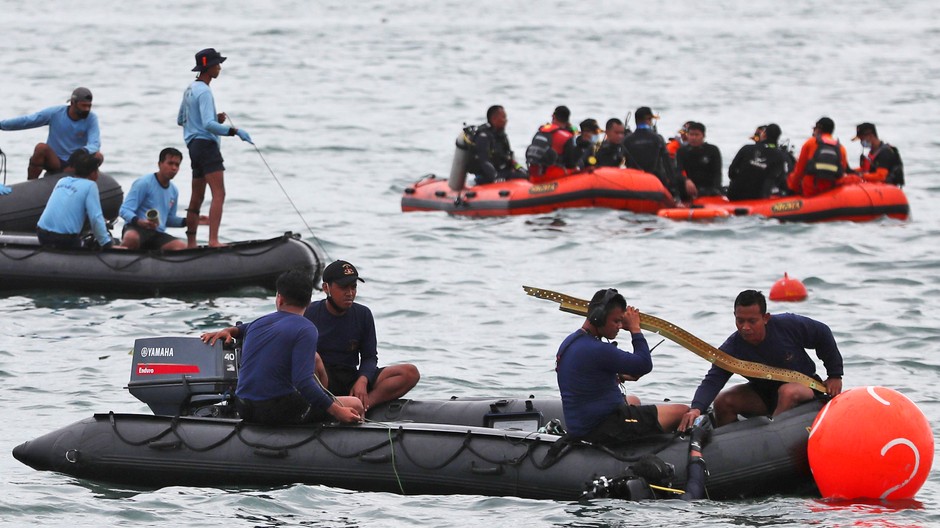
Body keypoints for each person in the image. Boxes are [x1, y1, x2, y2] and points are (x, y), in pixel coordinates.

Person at [201, 269, 364, 426]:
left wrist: (228, 330)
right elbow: (304, 382)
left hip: (244, 407)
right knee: (355, 404)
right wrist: (337, 411)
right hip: (276, 410)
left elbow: (242, 329)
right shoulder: (306, 329)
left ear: (279, 299)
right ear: (309, 302)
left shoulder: (259, 323)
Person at [679, 290, 844, 430]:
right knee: (723, 401)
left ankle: (772, 438)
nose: (745, 327)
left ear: (765, 318)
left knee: (787, 392)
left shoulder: (788, 325)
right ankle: (726, 448)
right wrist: (696, 408)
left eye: (752, 321)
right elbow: (713, 380)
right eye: (740, 320)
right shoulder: (732, 348)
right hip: (763, 395)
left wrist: (835, 374)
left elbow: (822, 333)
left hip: (804, 390)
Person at [555, 288, 688, 445]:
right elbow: (644, 364)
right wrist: (635, 329)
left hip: (582, 425)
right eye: (616, 321)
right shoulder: (599, 349)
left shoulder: (572, 341)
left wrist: (618, 377)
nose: (619, 326)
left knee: (634, 400)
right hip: (603, 428)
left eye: (621, 321)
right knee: (682, 411)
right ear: (598, 318)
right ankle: (678, 448)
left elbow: (586, 374)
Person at [304, 260, 420, 411]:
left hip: (351, 377)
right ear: (326, 288)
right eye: (343, 287)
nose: (350, 293)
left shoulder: (363, 314)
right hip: (323, 379)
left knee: (409, 373)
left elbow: (369, 357)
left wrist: (362, 380)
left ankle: (363, 406)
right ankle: (332, 406)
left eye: (353, 287)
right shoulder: (310, 313)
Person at [177, 48, 253, 248]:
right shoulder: (205, 91)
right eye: (217, 64)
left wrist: (211, 117)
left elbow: (181, 120)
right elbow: (209, 125)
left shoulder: (190, 89)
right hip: (207, 146)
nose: (219, 67)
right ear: (208, 67)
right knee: (219, 193)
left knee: (197, 197)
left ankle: (191, 243)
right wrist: (234, 131)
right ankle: (213, 241)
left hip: (193, 146)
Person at [0, 87, 103, 180]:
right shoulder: (55, 113)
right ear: (73, 103)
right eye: (83, 106)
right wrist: (1, 125)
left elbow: (95, 143)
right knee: (40, 148)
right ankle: (31, 184)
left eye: (89, 106)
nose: (86, 109)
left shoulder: (91, 118)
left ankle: (82, 181)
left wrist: (83, 150)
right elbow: (28, 120)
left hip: (76, 162)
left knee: (98, 156)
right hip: (55, 161)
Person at [119, 147, 208, 251]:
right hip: (136, 228)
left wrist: (191, 221)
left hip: (157, 233)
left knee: (182, 247)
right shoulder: (144, 183)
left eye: (177, 165)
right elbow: (124, 210)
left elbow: (168, 219)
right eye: (170, 163)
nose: (174, 168)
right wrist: (140, 222)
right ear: (160, 164)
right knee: (131, 238)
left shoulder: (174, 190)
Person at [36, 149, 114, 249]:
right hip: (64, 239)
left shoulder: (62, 181)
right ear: (92, 173)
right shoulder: (90, 185)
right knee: (90, 244)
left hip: (42, 234)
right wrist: (106, 243)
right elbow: (95, 218)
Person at [623, 107, 689, 201]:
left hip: (633, 181)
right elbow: (667, 165)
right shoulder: (657, 138)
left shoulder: (627, 140)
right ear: (648, 120)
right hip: (656, 181)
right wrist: (674, 189)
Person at [787, 117, 849, 197]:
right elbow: (842, 171)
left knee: (790, 176)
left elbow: (799, 170)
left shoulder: (810, 143)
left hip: (811, 190)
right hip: (832, 191)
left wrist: (792, 190)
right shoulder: (841, 148)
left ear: (819, 129)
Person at [727, 124, 791, 201]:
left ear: (763, 135)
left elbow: (731, 172)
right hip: (758, 197)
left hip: (734, 194)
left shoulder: (746, 148)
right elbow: (781, 181)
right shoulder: (780, 156)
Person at [467, 105, 525, 184]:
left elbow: (508, 158)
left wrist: (521, 169)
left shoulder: (501, 135)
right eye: (503, 117)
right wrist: (496, 177)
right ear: (494, 119)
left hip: (502, 171)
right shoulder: (483, 137)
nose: (506, 120)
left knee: (525, 175)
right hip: (487, 176)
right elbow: (484, 161)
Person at [525, 105, 577, 181]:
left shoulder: (541, 131)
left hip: (535, 176)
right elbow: (571, 164)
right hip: (555, 176)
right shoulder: (567, 136)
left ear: (553, 116)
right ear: (567, 120)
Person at [675, 122, 723, 198]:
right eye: (691, 135)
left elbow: (717, 173)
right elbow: (678, 171)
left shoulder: (713, 150)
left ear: (703, 136)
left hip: (709, 188)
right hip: (690, 187)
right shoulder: (682, 151)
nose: (693, 138)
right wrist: (686, 180)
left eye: (696, 135)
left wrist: (716, 189)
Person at [852, 122, 904, 187]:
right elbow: (865, 169)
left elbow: (881, 176)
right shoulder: (873, 152)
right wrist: (851, 172)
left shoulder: (885, 152)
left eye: (862, 139)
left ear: (870, 136)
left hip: (888, 187)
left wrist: (861, 175)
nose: (861, 142)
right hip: (875, 187)